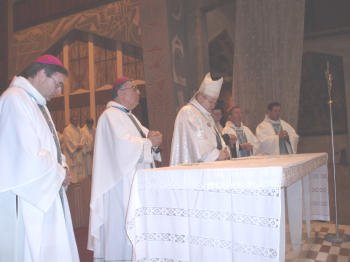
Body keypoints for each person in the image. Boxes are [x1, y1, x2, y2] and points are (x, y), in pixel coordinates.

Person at [0, 54, 79, 261]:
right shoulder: (14, 99)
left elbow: (51, 146)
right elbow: (27, 155)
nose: (59, 91)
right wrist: (59, 172)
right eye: (58, 84)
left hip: (45, 190)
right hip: (28, 197)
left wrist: (63, 167)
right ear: (43, 74)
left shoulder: (37, 103)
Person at [88, 76, 162, 261]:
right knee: (121, 230)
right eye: (134, 88)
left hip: (133, 183)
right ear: (121, 93)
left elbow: (144, 140)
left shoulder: (128, 116)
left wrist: (153, 140)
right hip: (120, 186)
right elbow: (123, 147)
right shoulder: (110, 116)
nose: (138, 92)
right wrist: (148, 142)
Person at [170, 72, 230, 165]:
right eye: (211, 102)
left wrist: (225, 150)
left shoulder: (207, 116)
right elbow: (197, 141)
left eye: (215, 103)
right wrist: (216, 155)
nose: (213, 106)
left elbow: (217, 139)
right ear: (200, 97)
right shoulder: (188, 112)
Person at [63, 115, 84, 183]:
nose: (76, 121)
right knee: (72, 174)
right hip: (71, 154)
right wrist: (76, 147)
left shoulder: (79, 129)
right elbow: (69, 141)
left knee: (79, 174)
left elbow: (82, 139)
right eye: (74, 120)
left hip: (78, 153)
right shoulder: (67, 130)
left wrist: (80, 145)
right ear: (71, 121)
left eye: (77, 120)